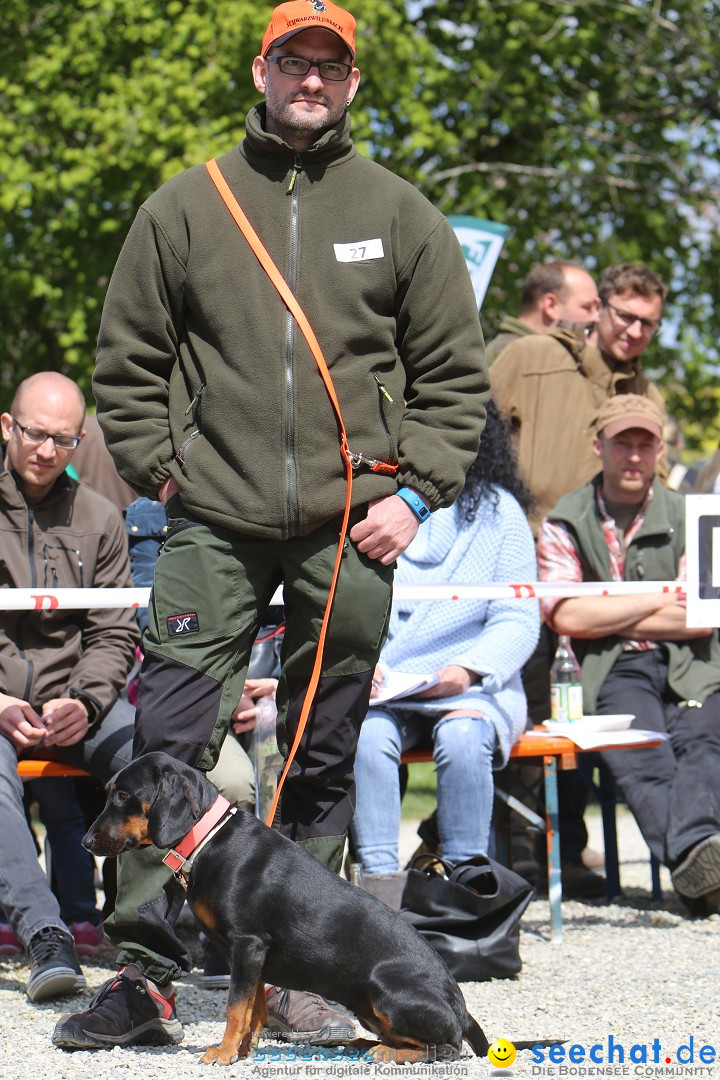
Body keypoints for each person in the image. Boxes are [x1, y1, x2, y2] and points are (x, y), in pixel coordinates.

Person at [55, 0, 488, 1052]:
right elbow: (128, 362)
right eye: (294, 61)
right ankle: (149, 976)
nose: (311, 80)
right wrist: (169, 473)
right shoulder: (187, 207)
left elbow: (454, 380)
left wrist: (416, 494)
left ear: (351, 84)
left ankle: (298, 973)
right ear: (262, 69)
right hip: (213, 523)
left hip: (355, 527)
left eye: (330, 67)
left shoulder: (399, 211)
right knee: (163, 745)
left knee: (321, 747)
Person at [537, 394, 720, 915]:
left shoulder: (694, 514)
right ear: (600, 446)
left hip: (697, 660)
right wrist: (665, 598)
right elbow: (567, 616)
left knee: (704, 742)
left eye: (646, 443)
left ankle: (696, 871)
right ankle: (701, 866)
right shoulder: (565, 520)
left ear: (660, 449)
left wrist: (607, 606)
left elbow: (704, 614)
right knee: (642, 756)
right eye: (623, 443)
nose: (635, 455)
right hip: (611, 666)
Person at [351, 403, 539, 873]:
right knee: (368, 735)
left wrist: (466, 670)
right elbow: (345, 601)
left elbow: (518, 618)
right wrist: (359, 657)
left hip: (472, 687)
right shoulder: (368, 508)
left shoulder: (501, 513)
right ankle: (380, 890)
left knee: (462, 735)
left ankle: (466, 885)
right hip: (386, 688)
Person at [0, 372, 139, 1002]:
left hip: (75, 707)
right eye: (34, 434)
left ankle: (151, 937)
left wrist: (85, 703)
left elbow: (114, 634)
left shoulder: (101, 517)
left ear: (80, 441)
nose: (46, 450)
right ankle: (45, 933)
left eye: (62, 439)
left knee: (156, 763)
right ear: (8, 426)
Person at [491, 262, 667, 533]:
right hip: (522, 540)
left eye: (647, 323)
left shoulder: (649, 395)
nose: (635, 332)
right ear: (599, 309)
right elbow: (472, 434)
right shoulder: (529, 355)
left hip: (605, 554)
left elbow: (659, 483)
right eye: (625, 316)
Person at [485, 260, 599, 365]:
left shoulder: (531, 351)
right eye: (587, 307)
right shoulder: (519, 354)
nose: (596, 318)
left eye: (597, 309)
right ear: (551, 306)